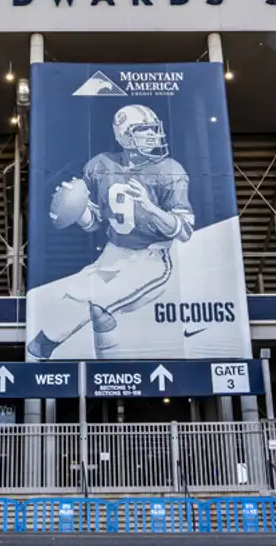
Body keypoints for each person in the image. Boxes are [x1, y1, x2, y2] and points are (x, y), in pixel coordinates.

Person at [26, 104, 194, 360]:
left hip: (153, 258)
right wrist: (77, 208)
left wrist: (151, 209)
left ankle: (110, 373)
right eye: (143, 130)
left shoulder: (169, 170)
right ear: (124, 135)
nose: (152, 135)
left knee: (100, 304)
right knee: (74, 295)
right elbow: (95, 223)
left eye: (153, 128)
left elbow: (184, 230)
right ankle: (40, 352)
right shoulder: (100, 165)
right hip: (112, 253)